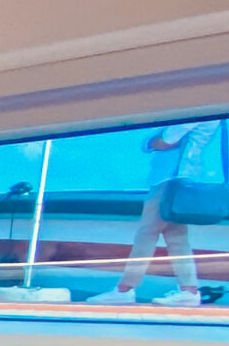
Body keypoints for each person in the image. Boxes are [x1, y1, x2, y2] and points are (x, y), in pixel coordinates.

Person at [88, 120, 221, 308]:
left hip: (169, 180)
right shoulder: (212, 114)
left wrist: (151, 141)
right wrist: (153, 142)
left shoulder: (198, 111)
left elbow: (166, 140)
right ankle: (188, 291)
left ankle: (124, 289)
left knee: (147, 234)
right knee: (176, 237)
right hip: (183, 178)